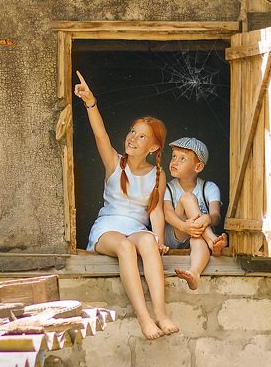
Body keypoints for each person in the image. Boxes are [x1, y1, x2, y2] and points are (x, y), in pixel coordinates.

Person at [74, 71, 178, 340]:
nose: (132, 138)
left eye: (142, 137)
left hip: (135, 229)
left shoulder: (157, 175)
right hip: (108, 230)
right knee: (126, 247)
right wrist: (90, 103)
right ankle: (145, 319)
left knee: (147, 241)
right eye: (132, 132)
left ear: (153, 147)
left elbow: (155, 210)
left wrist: (158, 238)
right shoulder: (114, 163)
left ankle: (160, 314)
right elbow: (100, 135)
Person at [163, 137, 227, 291]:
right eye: (174, 156)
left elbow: (216, 217)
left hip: (197, 234)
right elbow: (167, 213)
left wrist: (207, 218)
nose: (175, 161)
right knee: (187, 197)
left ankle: (194, 273)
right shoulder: (167, 188)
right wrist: (184, 226)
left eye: (182, 159)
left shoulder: (209, 187)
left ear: (198, 167)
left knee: (197, 238)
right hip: (175, 234)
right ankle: (213, 241)